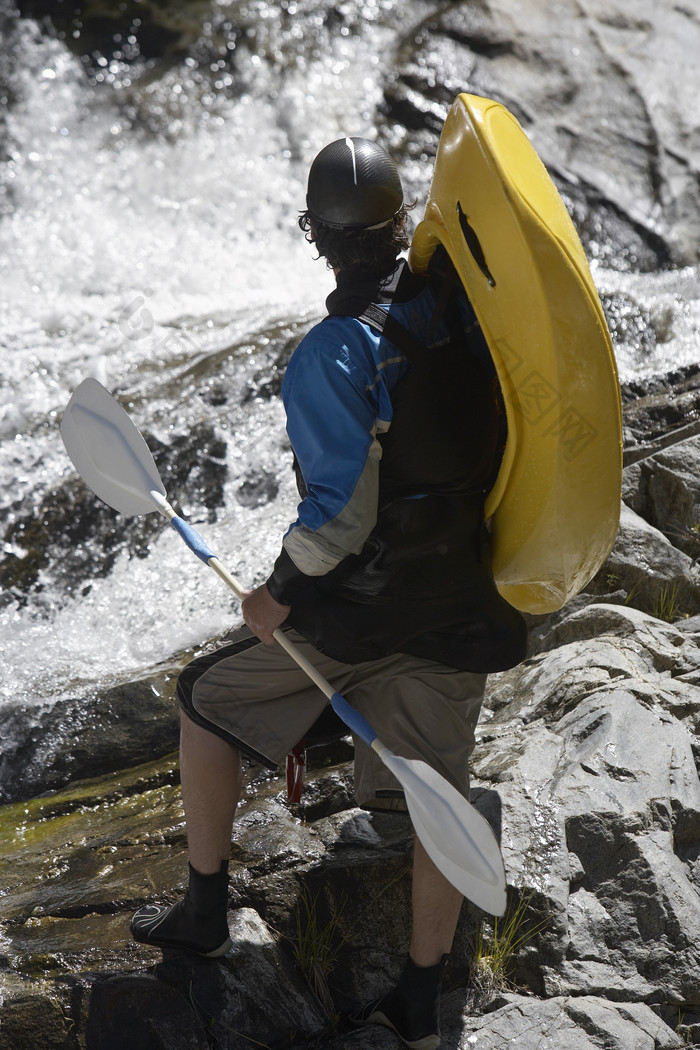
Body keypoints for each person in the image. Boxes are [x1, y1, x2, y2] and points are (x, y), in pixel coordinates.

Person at [131, 136, 527, 1049]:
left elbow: (340, 520)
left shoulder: (331, 353)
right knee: (438, 794)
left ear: (317, 237)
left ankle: (202, 908)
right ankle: (423, 999)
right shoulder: (470, 319)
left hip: (360, 615)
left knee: (205, 697)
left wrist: (272, 593)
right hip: (463, 604)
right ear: (401, 225)